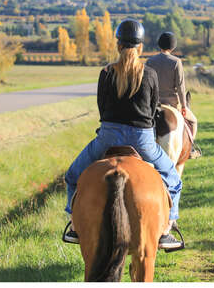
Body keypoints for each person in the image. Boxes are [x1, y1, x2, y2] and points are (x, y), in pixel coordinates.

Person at [63, 19, 184, 250]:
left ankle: (74, 226)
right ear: (140, 47)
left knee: (72, 175)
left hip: (108, 136)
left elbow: (102, 108)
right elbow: (152, 110)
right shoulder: (149, 74)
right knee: (173, 179)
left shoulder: (106, 72)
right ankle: (168, 227)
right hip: (142, 140)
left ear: (118, 45)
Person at [146, 31, 200, 158]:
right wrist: (184, 106)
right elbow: (181, 87)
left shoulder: (150, 61)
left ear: (159, 45)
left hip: (152, 105)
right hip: (172, 104)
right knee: (193, 122)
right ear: (173, 47)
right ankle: (190, 149)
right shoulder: (176, 62)